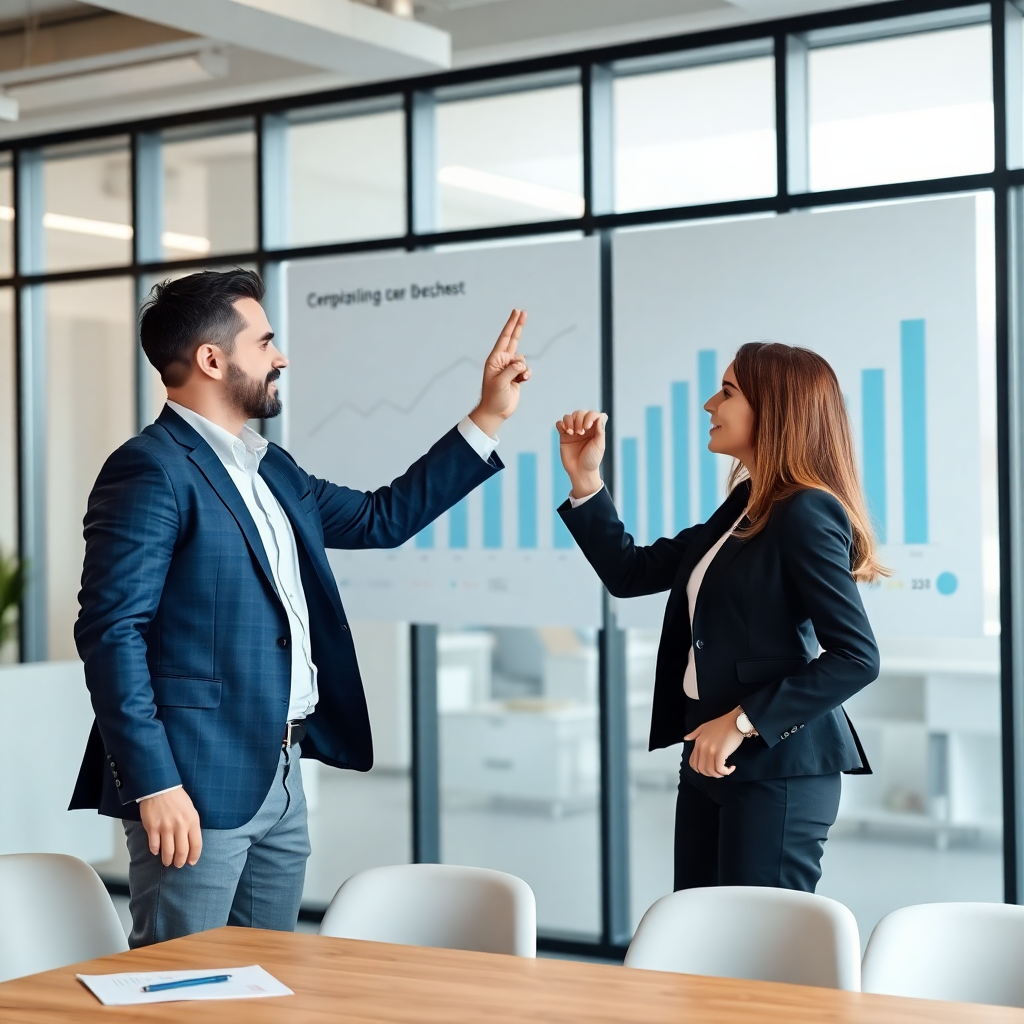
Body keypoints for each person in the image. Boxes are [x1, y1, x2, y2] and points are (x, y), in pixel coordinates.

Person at [70, 269, 530, 946]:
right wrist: (154, 784)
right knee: (175, 986)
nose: (280, 357)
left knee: (265, 980)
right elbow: (113, 632)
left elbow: (382, 518)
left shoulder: (272, 469)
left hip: (281, 778)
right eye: (265, 342)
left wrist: (487, 416)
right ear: (212, 359)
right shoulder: (150, 469)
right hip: (193, 784)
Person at [555, 342, 882, 893]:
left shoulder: (806, 510)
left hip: (776, 766)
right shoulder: (748, 502)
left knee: (755, 954)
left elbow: (856, 658)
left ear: (774, 409)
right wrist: (586, 481)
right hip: (709, 757)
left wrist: (739, 721)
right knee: (698, 934)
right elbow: (631, 573)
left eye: (727, 392)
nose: (710, 404)